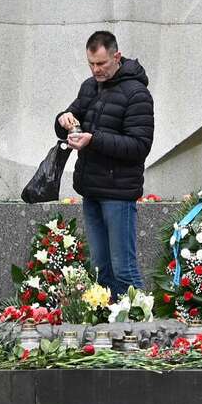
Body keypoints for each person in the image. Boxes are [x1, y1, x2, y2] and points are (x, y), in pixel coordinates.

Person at [54, 30, 154, 292]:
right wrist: (63, 119)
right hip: (91, 189)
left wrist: (93, 140)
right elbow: (72, 117)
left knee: (124, 269)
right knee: (100, 268)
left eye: (101, 64)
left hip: (119, 194)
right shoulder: (89, 87)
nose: (96, 70)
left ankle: (140, 327)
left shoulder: (137, 94)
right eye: (91, 63)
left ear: (117, 56)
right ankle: (109, 328)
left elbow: (139, 146)